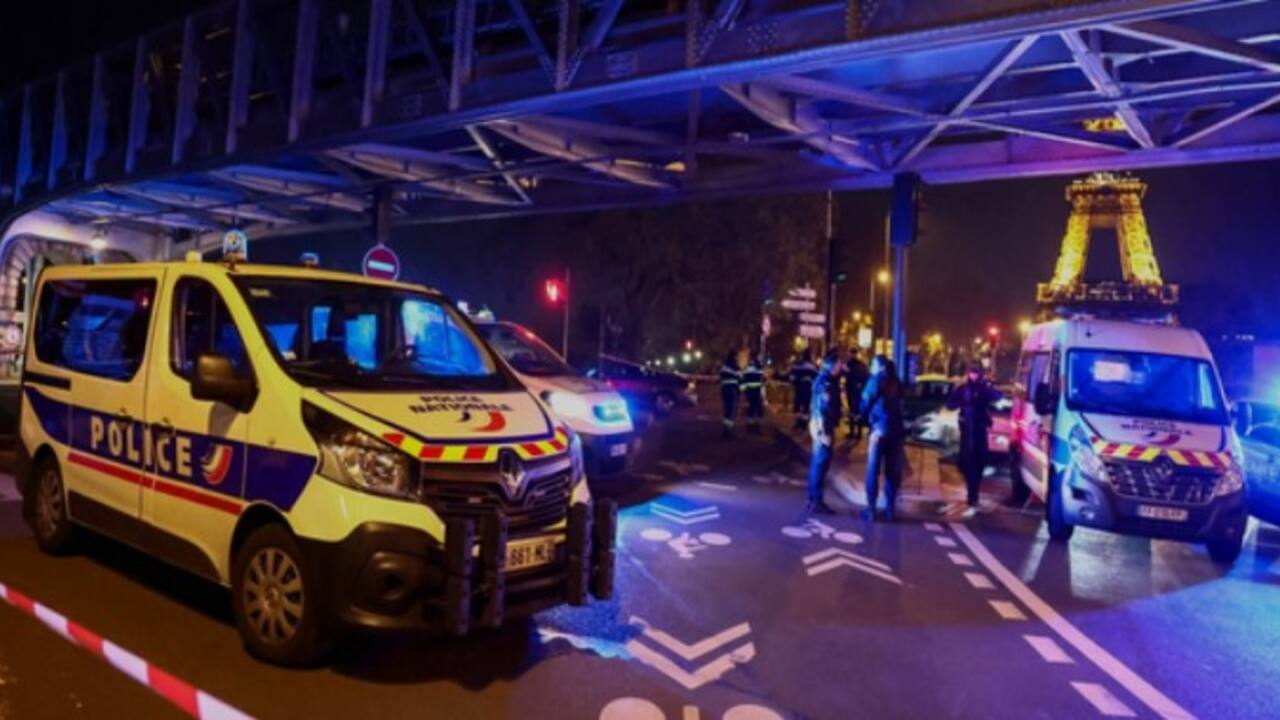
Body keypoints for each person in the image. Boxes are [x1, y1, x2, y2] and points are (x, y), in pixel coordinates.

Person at [943, 363, 1003, 519]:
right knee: (969, 464)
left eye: (976, 373)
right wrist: (962, 403)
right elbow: (950, 403)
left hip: (978, 431)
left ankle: (973, 495)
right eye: (972, 373)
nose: (974, 376)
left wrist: (987, 389)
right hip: (968, 431)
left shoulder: (983, 388)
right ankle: (972, 495)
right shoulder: (964, 389)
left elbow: (998, 397)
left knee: (977, 462)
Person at [860, 355, 906, 522]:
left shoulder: (875, 381)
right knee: (892, 471)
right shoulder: (897, 382)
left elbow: (864, 404)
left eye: (872, 363)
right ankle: (890, 510)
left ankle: (871, 509)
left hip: (879, 432)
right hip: (896, 432)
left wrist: (867, 420)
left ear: (878, 366)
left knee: (873, 470)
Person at [806, 349, 844, 515]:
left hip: (822, 426)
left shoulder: (827, 380)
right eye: (839, 364)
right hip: (823, 427)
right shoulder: (826, 382)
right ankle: (816, 501)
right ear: (832, 365)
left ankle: (814, 500)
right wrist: (824, 432)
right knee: (820, 464)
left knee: (818, 463)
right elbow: (822, 408)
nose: (841, 366)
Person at [843, 351, 870, 443]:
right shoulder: (862, 365)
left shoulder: (849, 365)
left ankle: (852, 432)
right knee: (858, 411)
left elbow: (844, 374)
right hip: (859, 391)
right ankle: (858, 432)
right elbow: (866, 377)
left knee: (852, 411)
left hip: (851, 390)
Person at [790, 349, 818, 430]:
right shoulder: (812, 366)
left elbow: (792, 376)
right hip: (807, 388)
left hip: (798, 388)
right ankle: (804, 425)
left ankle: (798, 423)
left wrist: (795, 383)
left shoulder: (797, 364)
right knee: (806, 406)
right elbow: (816, 378)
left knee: (798, 406)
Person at [719, 350, 741, 439]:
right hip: (732, 390)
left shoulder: (724, 367)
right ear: (734, 356)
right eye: (737, 356)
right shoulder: (735, 366)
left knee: (727, 410)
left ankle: (726, 429)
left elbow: (721, 377)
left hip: (724, 390)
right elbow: (740, 378)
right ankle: (729, 431)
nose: (738, 358)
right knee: (732, 411)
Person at [741, 356, 766, 434]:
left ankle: (750, 427)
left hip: (749, 392)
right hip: (757, 392)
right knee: (759, 410)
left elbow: (742, 381)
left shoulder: (746, 370)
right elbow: (763, 381)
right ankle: (757, 428)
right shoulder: (759, 369)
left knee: (751, 410)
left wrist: (744, 392)